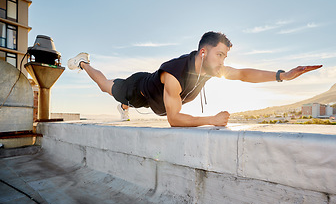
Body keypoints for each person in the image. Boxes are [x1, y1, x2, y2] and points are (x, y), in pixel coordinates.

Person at [67, 31, 322, 127]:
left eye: (224, 56)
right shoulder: (175, 76)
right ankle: (83, 61)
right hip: (137, 89)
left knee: (140, 104)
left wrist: (282, 76)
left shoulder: (210, 68)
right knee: (105, 86)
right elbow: (174, 119)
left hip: (155, 98)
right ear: (204, 52)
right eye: (220, 54)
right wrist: (211, 119)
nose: (223, 61)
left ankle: (124, 108)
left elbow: (243, 74)